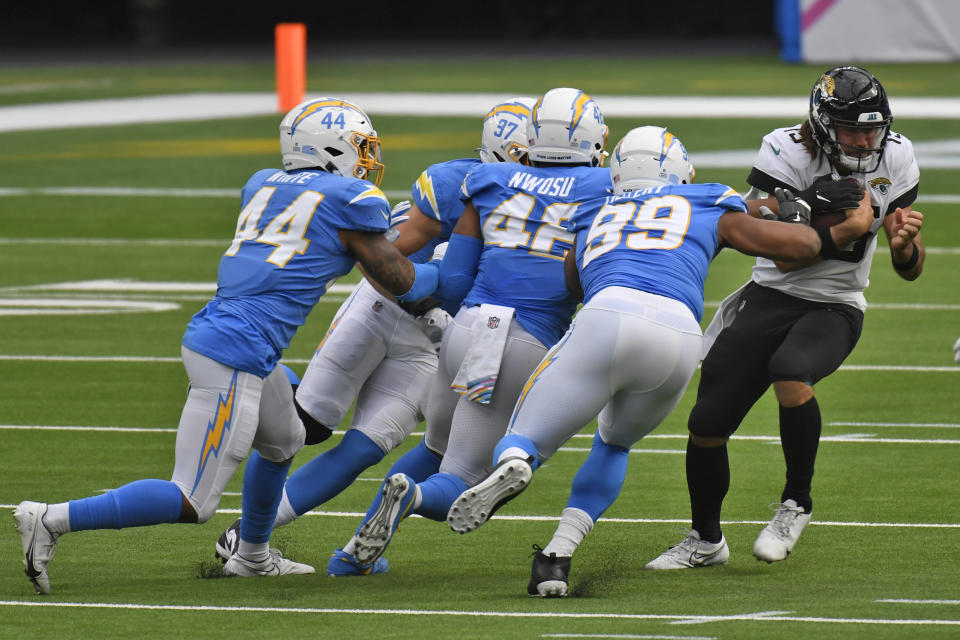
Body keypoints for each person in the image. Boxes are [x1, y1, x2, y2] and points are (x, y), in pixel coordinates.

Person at [13, 97, 440, 594]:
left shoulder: (262, 183)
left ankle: (253, 555)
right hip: (235, 350)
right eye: (361, 148)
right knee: (193, 499)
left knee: (284, 441)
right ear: (330, 148)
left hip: (239, 339)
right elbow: (399, 277)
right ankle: (52, 518)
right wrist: (464, 268)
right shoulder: (351, 199)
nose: (367, 160)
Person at [444, 126, 876, 597]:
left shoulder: (595, 212)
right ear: (678, 170)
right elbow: (798, 244)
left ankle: (516, 460)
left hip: (608, 316)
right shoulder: (707, 199)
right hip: (676, 335)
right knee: (613, 445)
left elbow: (571, 282)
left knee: (524, 435)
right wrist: (836, 226)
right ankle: (556, 556)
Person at [211, 97, 537, 577]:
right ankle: (246, 531)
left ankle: (263, 535)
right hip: (383, 309)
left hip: (433, 343)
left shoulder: (550, 195)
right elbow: (381, 259)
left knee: (367, 447)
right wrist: (425, 305)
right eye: (533, 156)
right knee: (308, 425)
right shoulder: (452, 183)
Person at [644, 65, 925, 571]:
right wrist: (840, 228)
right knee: (706, 422)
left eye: (872, 129)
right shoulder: (784, 149)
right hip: (772, 294)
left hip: (837, 303)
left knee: (792, 371)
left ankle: (796, 504)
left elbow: (910, 269)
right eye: (851, 130)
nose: (864, 142)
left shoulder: (898, 154)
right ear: (821, 124)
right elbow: (779, 252)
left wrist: (904, 247)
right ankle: (705, 541)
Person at [342, 87, 613, 568]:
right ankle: (415, 499)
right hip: (525, 337)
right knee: (468, 477)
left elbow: (454, 279)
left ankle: (353, 553)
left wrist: (395, 277)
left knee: (435, 445)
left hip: (465, 330)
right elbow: (591, 275)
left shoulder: (489, 179)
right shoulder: (603, 189)